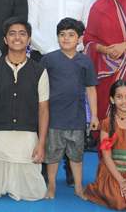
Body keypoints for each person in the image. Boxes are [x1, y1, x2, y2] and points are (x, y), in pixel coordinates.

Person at [27, 0, 96, 186]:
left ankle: (70, 163)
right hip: (43, 59)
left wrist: (71, 52)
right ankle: (45, 162)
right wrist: (54, 54)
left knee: (73, 112)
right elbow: (30, 28)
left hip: (75, 61)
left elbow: (88, 27)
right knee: (44, 110)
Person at [0, 17, 49, 201]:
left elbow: (44, 110)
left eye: (22, 34)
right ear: (5, 40)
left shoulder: (39, 71)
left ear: (29, 39)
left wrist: (41, 145)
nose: (17, 38)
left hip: (26, 140)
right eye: (12, 34)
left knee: (35, 194)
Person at [41, 18, 98, 199]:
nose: (66, 38)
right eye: (62, 35)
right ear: (57, 37)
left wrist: (95, 116)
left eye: (71, 35)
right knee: (52, 155)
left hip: (76, 117)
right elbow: (40, 89)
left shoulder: (85, 62)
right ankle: (51, 187)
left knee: (77, 155)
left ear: (79, 38)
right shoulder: (48, 60)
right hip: (54, 118)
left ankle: (79, 188)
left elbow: (91, 89)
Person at [84, 80, 126, 212]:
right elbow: (107, 156)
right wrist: (121, 181)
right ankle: (100, 189)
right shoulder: (106, 124)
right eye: (119, 97)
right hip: (113, 172)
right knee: (119, 202)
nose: (124, 101)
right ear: (112, 99)